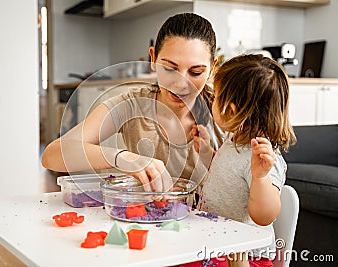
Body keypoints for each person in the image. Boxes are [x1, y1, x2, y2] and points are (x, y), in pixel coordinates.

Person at [41, 13, 225, 192]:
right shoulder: (131, 105)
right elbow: (52, 155)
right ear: (152, 59)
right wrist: (122, 158)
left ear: (211, 69)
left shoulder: (230, 110)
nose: (180, 83)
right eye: (169, 68)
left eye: (196, 72)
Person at [182, 54, 297, 267]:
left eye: (216, 96)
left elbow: (265, 215)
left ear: (232, 110)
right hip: (220, 246)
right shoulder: (235, 140)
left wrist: (261, 178)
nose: (212, 100)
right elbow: (228, 175)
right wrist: (207, 152)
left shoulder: (263, 161)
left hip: (247, 258)